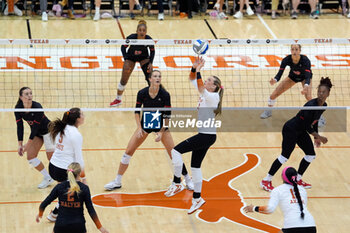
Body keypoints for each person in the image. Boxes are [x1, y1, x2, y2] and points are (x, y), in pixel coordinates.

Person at [105, 70, 193, 191]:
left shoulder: (165, 95)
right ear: (150, 79)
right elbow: (136, 111)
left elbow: (167, 116)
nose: (158, 78)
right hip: (145, 125)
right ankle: (117, 181)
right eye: (155, 76)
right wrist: (139, 128)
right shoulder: (142, 93)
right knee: (128, 151)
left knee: (174, 153)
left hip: (161, 125)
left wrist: (161, 132)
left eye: (159, 76)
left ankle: (188, 179)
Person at [164, 57, 224, 215]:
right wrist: (194, 68)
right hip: (206, 135)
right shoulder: (206, 92)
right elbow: (192, 79)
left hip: (206, 136)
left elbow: (198, 84)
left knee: (175, 151)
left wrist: (199, 71)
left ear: (215, 86)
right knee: (195, 166)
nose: (206, 81)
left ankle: (177, 183)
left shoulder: (213, 97)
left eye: (209, 80)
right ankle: (197, 198)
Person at [261, 77, 332, 192]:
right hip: (291, 129)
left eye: (323, 92)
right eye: (319, 91)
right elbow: (306, 126)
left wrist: (316, 137)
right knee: (284, 157)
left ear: (328, 93)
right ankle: (266, 180)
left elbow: (314, 122)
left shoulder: (323, 106)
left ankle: (298, 179)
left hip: (301, 131)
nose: (320, 94)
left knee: (310, 155)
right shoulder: (310, 105)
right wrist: (320, 137)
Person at [36, 162, 109, 233]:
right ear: (80, 173)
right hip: (78, 226)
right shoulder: (84, 188)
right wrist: (100, 227)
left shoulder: (60, 187)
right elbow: (91, 210)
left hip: (61, 225)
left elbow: (45, 203)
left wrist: (40, 214)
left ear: (67, 173)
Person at [245, 166, 317, 233]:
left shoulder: (278, 190)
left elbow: (270, 209)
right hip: (311, 225)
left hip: (292, 226)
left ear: (283, 177)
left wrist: (254, 208)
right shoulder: (302, 190)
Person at [46, 107, 86, 222]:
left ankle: (55, 214)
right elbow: (79, 159)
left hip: (53, 166)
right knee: (73, 192)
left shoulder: (61, 128)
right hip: (63, 170)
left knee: (64, 190)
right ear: (78, 119)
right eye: (82, 114)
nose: (84, 116)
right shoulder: (76, 135)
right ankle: (56, 214)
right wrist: (83, 178)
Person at [15, 87, 55, 189]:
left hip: (49, 131)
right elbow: (20, 127)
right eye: (27, 94)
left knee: (52, 158)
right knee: (31, 157)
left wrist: (27, 145)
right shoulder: (18, 108)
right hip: (37, 134)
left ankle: (67, 178)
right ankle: (48, 177)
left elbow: (35, 127)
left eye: (31, 93)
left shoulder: (37, 107)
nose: (30, 96)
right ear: (21, 97)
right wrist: (20, 144)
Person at [110, 20, 155, 107]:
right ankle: (118, 99)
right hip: (131, 57)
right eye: (140, 30)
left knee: (150, 76)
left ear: (146, 32)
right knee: (124, 77)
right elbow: (123, 47)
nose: (142, 32)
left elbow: (152, 51)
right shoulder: (131, 37)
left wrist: (150, 63)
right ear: (137, 31)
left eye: (143, 30)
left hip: (144, 58)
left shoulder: (148, 39)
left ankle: (153, 99)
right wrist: (126, 58)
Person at [260, 44, 312, 119]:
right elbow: (279, 73)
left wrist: (306, 86)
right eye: (293, 49)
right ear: (290, 50)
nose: (294, 51)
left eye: (296, 49)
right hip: (292, 77)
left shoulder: (305, 60)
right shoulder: (286, 59)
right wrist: (275, 80)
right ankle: (268, 111)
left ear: (300, 51)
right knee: (273, 95)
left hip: (305, 78)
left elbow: (308, 75)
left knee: (309, 97)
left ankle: (318, 117)